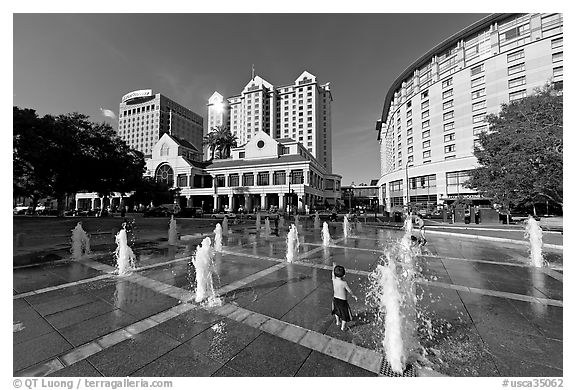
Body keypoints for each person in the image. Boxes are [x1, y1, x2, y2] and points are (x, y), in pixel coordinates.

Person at [331, 263, 357, 331]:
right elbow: (349, 291)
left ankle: (337, 322)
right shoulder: (344, 283)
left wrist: (333, 267)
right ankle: (343, 327)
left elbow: (333, 274)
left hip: (335, 299)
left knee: (336, 311)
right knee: (345, 315)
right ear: (344, 275)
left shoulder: (334, 280)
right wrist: (353, 295)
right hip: (343, 302)